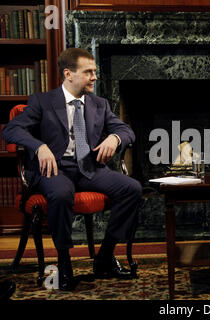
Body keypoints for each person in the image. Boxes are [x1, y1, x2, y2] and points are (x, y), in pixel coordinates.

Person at [2, 48, 142, 291]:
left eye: (95, 72)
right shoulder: (43, 102)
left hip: (89, 168)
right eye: (88, 72)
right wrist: (39, 146)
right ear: (68, 74)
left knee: (132, 188)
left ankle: (105, 257)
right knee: (61, 194)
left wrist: (115, 139)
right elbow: (11, 130)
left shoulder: (100, 104)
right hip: (55, 170)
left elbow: (127, 130)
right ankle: (64, 263)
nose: (94, 77)